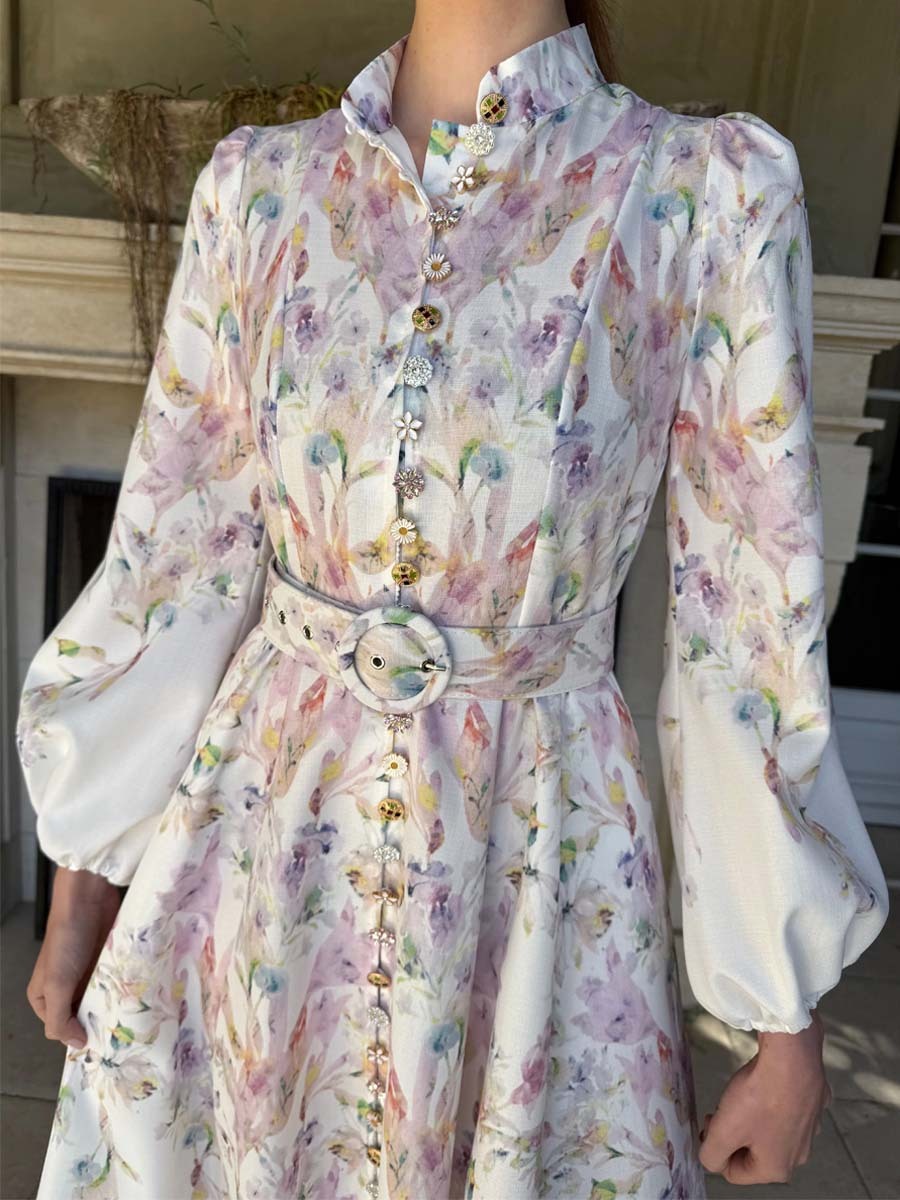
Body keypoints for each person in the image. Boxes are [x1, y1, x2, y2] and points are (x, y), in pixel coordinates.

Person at [16, 1, 889, 1197]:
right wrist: (85, 875)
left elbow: (745, 621)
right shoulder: (260, 190)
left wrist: (780, 1015)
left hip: (538, 862)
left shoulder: (705, 192)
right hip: (260, 848)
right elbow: (174, 552)